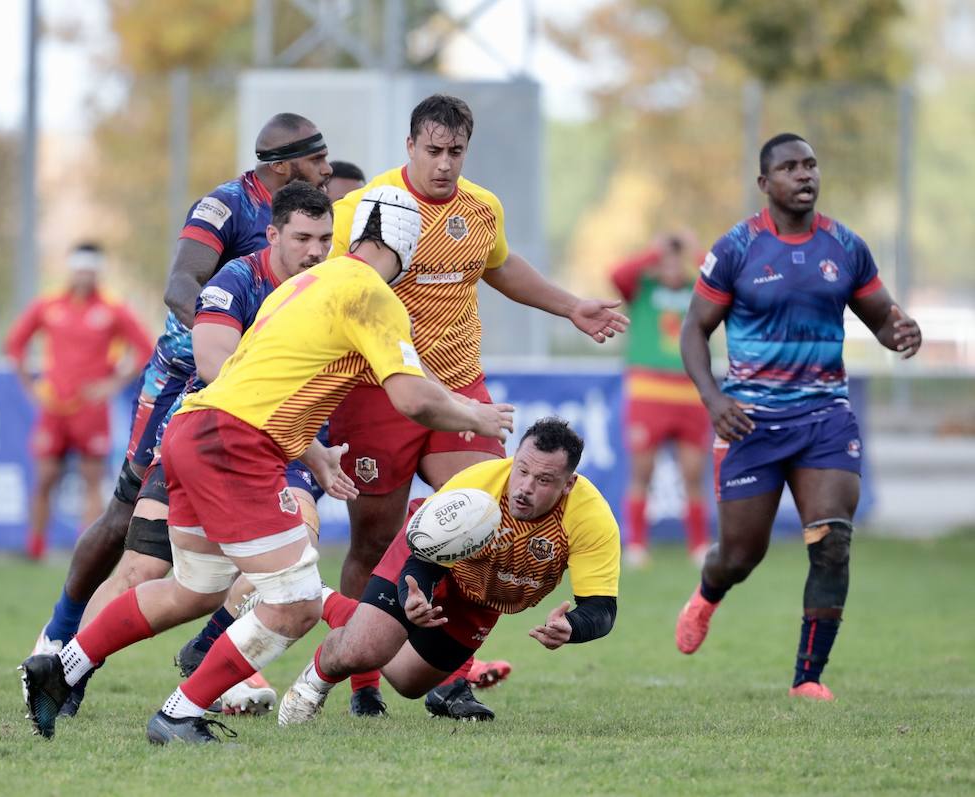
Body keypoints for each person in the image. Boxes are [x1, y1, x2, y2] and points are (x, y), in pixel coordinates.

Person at [19, 185, 514, 744]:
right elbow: (413, 398)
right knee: (296, 603)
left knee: (195, 588)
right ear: (406, 247)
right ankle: (178, 714)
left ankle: (61, 669)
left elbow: (267, 379)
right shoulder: (372, 295)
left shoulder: (304, 284)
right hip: (236, 447)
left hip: (192, 431)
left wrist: (314, 451)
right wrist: (475, 413)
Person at [329, 94, 628, 718]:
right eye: (432, 151)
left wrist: (570, 305)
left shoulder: (480, 207)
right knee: (375, 539)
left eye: (455, 152)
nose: (443, 164)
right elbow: (323, 292)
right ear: (409, 146)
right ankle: (362, 681)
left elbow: (501, 267)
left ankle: (451, 678)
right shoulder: (363, 210)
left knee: (483, 520)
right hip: (377, 391)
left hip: (461, 388)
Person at [28, 113, 333, 657]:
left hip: (255, 387)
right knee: (126, 512)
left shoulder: (314, 226)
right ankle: (58, 634)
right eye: (317, 159)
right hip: (186, 374)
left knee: (261, 535)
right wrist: (231, 342)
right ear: (282, 166)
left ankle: (211, 651)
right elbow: (180, 286)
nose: (326, 169)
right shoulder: (223, 206)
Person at [55, 182, 351, 719]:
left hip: (288, 449)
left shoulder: (336, 288)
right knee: (141, 567)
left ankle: (207, 647)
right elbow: (217, 367)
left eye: (325, 239)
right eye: (303, 237)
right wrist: (308, 445)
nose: (314, 250)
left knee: (292, 549)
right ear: (273, 234)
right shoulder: (237, 280)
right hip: (212, 435)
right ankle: (69, 673)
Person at [675, 133, 923, 701]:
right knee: (740, 555)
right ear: (765, 184)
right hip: (751, 424)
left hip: (825, 418)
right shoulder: (737, 248)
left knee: (832, 539)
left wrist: (900, 331)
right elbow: (694, 329)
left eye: (811, 164)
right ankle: (708, 593)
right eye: (789, 167)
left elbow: (881, 315)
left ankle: (807, 677)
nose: (804, 175)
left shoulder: (846, 246)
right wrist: (714, 400)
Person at [279, 418, 620, 724]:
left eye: (544, 480)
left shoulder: (590, 518)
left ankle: (326, 599)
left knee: (408, 682)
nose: (526, 487)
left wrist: (572, 627)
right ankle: (309, 689)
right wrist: (414, 596)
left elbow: (602, 609)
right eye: (523, 470)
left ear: (568, 484)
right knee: (365, 649)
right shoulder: (477, 487)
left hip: (483, 594)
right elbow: (422, 559)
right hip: (430, 560)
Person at [5, 243, 153, 557]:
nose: (84, 275)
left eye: (90, 270)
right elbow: (15, 344)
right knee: (45, 477)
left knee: (91, 479)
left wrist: (112, 384)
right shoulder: (49, 304)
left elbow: (145, 348)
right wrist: (31, 388)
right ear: (71, 270)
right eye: (79, 269)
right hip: (54, 408)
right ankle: (35, 548)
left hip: (90, 410)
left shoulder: (113, 308)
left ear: (98, 271)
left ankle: (84, 550)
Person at [610, 232, 713, 568]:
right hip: (648, 392)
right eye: (664, 261)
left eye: (675, 259)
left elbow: (723, 280)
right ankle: (637, 544)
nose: (670, 266)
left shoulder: (697, 291)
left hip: (689, 391)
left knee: (693, 472)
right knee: (643, 471)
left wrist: (693, 248)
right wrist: (653, 250)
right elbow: (617, 275)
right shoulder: (644, 289)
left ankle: (699, 546)